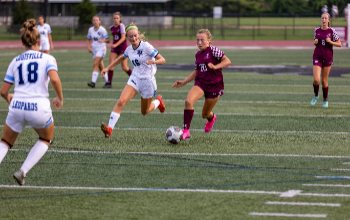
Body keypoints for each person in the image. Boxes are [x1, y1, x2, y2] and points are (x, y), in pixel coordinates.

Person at [0, 19, 63, 185]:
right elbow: (55, 80)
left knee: (5, 142)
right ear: (39, 41)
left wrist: (9, 98)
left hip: (17, 105)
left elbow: (3, 91)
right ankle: (23, 171)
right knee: (45, 139)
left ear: (22, 42)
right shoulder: (48, 58)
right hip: (39, 107)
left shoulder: (16, 61)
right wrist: (59, 98)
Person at [100, 23, 166, 139]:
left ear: (138, 35)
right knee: (121, 101)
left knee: (144, 111)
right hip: (135, 79)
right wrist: (107, 68)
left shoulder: (146, 46)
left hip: (148, 82)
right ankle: (109, 130)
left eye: (135, 35)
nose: (134, 38)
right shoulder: (129, 49)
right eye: (131, 37)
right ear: (127, 38)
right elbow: (121, 58)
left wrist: (154, 62)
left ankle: (158, 102)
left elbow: (163, 60)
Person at [172, 29, 231, 140]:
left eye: (202, 40)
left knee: (205, 114)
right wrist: (183, 82)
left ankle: (211, 118)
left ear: (208, 40)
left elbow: (227, 61)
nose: (199, 43)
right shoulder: (197, 54)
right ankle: (186, 131)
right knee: (188, 101)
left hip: (214, 85)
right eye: (197, 40)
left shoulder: (213, 50)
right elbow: (196, 71)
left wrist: (215, 67)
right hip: (201, 83)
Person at [311, 13, 342, 108]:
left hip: (328, 58)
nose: (324, 19)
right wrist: (315, 42)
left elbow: (339, 44)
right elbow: (316, 42)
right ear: (321, 20)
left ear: (328, 20)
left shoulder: (332, 31)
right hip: (317, 57)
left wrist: (331, 42)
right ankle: (316, 95)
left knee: (324, 81)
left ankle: (325, 100)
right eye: (322, 18)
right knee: (316, 80)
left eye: (325, 18)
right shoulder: (316, 30)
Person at [105, 12, 132, 88]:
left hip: (122, 48)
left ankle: (135, 80)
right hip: (115, 48)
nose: (116, 19)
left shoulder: (121, 26)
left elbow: (123, 38)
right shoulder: (111, 27)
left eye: (117, 18)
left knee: (124, 67)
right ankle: (109, 83)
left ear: (120, 19)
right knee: (111, 65)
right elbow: (115, 38)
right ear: (112, 19)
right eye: (114, 18)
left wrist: (116, 44)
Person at [87, 16, 109, 88]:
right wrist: (89, 47)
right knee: (100, 66)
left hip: (101, 48)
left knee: (95, 64)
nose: (95, 21)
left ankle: (93, 82)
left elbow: (108, 40)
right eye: (94, 20)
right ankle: (107, 82)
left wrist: (102, 40)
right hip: (94, 49)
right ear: (92, 21)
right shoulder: (90, 29)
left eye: (97, 20)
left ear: (99, 21)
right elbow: (88, 39)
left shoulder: (102, 30)